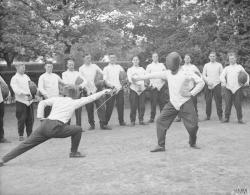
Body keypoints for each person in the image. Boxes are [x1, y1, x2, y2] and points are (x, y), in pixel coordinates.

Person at [0, 86, 113, 167]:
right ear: (74, 94)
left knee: (26, 144)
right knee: (78, 129)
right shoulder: (74, 102)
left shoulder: (57, 99)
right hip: (56, 128)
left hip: (45, 125)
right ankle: (73, 152)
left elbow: (42, 103)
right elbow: (91, 98)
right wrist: (105, 91)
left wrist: (40, 117)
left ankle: (3, 159)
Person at [132, 52, 205, 152]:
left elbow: (201, 82)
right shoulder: (167, 73)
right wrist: (137, 78)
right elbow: (152, 75)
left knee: (193, 126)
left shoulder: (186, 73)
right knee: (160, 121)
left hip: (185, 102)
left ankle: (192, 142)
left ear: (176, 63)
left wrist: (192, 93)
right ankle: (161, 145)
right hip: (173, 104)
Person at [79, 54, 111, 130]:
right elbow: (82, 80)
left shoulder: (95, 66)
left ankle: (102, 124)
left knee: (101, 107)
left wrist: (103, 80)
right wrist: (86, 89)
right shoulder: (81, 68)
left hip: (97, 89)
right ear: (84, 59)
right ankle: (92, 124)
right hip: (87, 90)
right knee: (89, 109)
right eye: (87, 58)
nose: (89, 59)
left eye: (90, 58)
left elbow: (103, 73)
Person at [220, 52, 249, 124]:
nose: (231, 60)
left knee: (238, 104)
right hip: (228, 88)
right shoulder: (227, 68)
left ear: (235, 59)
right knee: (227, 104)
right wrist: (223, 82)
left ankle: (240, 119)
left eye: (233, 58)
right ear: (229, 60)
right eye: (230, 59)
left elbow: (247, 75)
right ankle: (226, 118)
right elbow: (221, 76)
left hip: (237, 88)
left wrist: (247, 81)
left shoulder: (239, 67)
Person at [10, 63, 34, 141]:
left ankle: (29, 134)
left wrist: (33, 92)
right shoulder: (14, 78)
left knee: (30, 119)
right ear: (17, 68)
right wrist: (24, 93)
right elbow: (15, 90)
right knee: (21, 119)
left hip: (29, 100)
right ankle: (21, 135)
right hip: (21, 101)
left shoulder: (26, 76)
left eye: (24, 67)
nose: (24, 69)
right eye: (22, 67)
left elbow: (31, 86)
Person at [103, 53, 126, 127]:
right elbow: (105, 80)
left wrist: (122, 85)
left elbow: (123, 77)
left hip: (119, 89)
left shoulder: (119, 67)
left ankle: (121, 121)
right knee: (109, 106)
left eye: (114, 57)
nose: (112, 59)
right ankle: (105, 123)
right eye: (111, 58)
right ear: (109, 59)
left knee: (120, 106)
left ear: (115, 59)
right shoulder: (106, 68)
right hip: (111, 89)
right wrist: (112, 86)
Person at [146, 52, 168, 123]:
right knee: (153, 103)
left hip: (161, 86)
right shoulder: (149, 66)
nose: (155, 58)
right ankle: (152, 118)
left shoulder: (162, 65)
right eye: (154, 57)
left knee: (162, 103)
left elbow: (166, 74)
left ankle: (163, 118)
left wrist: (164, 79)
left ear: (158, 57)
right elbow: (146, 76)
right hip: (153, 87)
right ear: (152, 58)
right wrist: (149, 85)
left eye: (156, 56)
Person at [127, 56, 147, 126]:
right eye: (134, 60)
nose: (135, 61)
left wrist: (145, 84)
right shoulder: (130, 70)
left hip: (142, 89)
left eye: (137, 60)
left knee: (142, 106)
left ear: (139, 61)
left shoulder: (142, 69)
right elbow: (130, 79)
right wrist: (136, 84)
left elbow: (146, 77)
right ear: (132, 61)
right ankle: (132, 121)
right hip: (134, 89)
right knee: (133, 106)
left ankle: (141, 120)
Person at [203, 52, 223, 121]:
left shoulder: (219, 65)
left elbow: (222, 75)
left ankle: (220, 116)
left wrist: (216, 82)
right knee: (208, 101)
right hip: (208, 85)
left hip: (217, 85)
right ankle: (208, 116)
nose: (212, 57)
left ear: (216, 57)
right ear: (209, 57)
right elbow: (203, 75)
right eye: (211, 56)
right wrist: (208, 82)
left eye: (213, 56)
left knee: (218, 101)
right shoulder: (206, 65)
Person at [62, 59, 82, 126]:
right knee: (68, 110)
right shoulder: (64, 74)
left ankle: (79, 126)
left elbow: (84, 81)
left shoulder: (78, 73)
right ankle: (67, 126)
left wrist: (79, 86)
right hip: (68, 94)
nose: (71, 66)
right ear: (67, 65)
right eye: (70, 64)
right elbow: (66, 83)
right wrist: (74, 86)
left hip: (77, 93)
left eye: (72, 64)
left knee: (78, 110)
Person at [0, 75, 10, 143]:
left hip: (0, 101)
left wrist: (8, 93)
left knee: (0, 120)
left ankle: (1, 137)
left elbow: (4, 85)